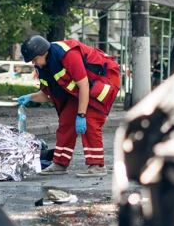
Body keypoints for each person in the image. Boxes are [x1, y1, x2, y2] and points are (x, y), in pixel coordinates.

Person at [18, 35, 121, 177]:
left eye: (34, 59)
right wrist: (31, 97)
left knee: (90, 120)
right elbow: (49, 94)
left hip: (103, 82)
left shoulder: (68, 55)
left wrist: (81, 115)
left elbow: (83, 85)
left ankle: (97, 165)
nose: (33, 63)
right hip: (82, 90)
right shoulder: (44, 66)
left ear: (43, 53)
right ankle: (60, 164)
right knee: (66, 121)